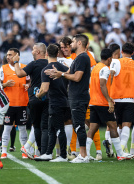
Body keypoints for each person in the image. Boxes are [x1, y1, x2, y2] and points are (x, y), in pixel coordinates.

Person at [45, 34, 91, 163]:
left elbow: (76, 77)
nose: (71, 44)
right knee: (77, 125)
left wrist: (61, 74)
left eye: (74, 42)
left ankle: (83, 155)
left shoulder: (82, 58)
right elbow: (69, 72)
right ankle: (82, 154)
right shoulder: (78, 58)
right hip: (75, 96)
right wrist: (58, 73)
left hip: (79, 97)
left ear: (80, 43)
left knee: (79, 126)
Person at [86, 48, 134, 161]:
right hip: (102, 103)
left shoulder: (95, 68)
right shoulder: (105, 69)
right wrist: (108, 100)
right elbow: (102, 85)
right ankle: (120, 154)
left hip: (93, 102)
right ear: (109, 58)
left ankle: (86, 153)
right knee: (113, 126)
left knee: (92, 128)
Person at [35, 44, 69, 162]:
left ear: (46, 54)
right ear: (58, 54)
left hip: (55, 102)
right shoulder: (64, 68)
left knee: (59, 128)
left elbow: (44, 89)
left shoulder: (46, 69)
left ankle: (63, 155)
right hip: (65, 101)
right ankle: (49, 153)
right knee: (52, 128)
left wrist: (38, 95)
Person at [14, 43, 49, 158]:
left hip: (35, 98)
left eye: (33, 50)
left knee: (37, 126)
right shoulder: (50, 63)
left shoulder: (34, 64)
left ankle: (38, 150)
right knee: (45, 127)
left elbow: (19, 74)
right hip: (48, 98)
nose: (32, 52)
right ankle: (44, 152)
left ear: (38, 52)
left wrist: (16, 62)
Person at [110, 43, 134, 159]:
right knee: (127, 125)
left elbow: (111, 75)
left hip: (117, 97)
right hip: (131, 99)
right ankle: (121, 152)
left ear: (121, 52)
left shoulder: (116, 61)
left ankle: (115, 148)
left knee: (117, 125)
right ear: (133, 53)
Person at [0, 48, 29, 159]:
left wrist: (28, 85)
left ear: (17, 56)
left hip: (22, 103)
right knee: (7, 128)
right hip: (9, 104)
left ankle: (24, 151)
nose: (8, 56)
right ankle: (4, 151)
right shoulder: (3, 68)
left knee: (22, 128)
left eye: (10, 55)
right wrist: (5, 84)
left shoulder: (25, 67)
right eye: (7, 54)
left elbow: (30, 81)